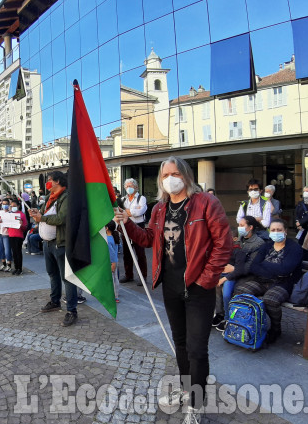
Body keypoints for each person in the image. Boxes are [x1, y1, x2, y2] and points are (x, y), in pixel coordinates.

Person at [116, 156, 232, 421]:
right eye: (165, 174)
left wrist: (206, 279)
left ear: (186, 176)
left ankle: (196, 403)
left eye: (175, 173)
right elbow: (148, 239)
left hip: (198, 289)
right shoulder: (159, 209)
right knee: (179, 343)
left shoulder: (206, 203)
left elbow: (223, 245)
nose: (170, 178)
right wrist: (128, 223)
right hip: (170, 288)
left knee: (196, 348)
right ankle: (186, 390)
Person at [233, 218, 303, 344]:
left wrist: (265, 264)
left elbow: (286, 270)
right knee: (241, 291)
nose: (276, 232)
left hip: (282, 283)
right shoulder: (266, 246)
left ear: (285, 231)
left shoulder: (294, 248)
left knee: (270, 300)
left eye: (279, 230)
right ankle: (251, 324)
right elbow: (254, 266)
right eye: (273, 230)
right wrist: (275, 269)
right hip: (261, 280)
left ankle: (276, 329)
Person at [29, 171, 80, 327]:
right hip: (48, 243)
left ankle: (72, 310)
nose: (47, 183)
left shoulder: (67, 197)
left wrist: (41, 218)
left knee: (67, 278)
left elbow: (62, 218)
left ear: (58, 181)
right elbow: (44, 215)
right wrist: (38, 213)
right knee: (52, 274)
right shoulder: (50, 199)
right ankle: (55, 301)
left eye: (49, 180)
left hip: (61, 243)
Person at [212, 216, 265, 331]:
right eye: (239, 225)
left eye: (242, 225)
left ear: (250, 227)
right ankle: (220, 314)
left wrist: (233, 269)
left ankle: (230, 317)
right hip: (232, 272)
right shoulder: (238, 238)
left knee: (228, 288)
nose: (239, 227)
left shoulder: (258, 243)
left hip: (247, 276)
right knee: (217, 285)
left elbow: (251, 265)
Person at [120, 178, 147, 286]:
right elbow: (119, 211)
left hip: (138, 226)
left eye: (130, 186)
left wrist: (127, 212)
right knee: (127, 253)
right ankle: (128, 275)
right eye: (126, 186)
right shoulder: (123, 199)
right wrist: (130, 212)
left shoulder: (141, 198)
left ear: (136, 186)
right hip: (126, 226)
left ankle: (143, 276)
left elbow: (140, 211)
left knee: (140, 253)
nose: (128, 188)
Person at [8, 199, 28, 275]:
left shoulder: (21, 214)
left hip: (18, 235)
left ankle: (20, 268)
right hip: (11, 235)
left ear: (18, 206)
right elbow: (7, 226)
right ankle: (16, 267)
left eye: (14, 206)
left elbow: (25, 227)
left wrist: (21, 224)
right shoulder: (9, 214)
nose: (12, 207)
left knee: (18, 252)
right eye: (11, 206)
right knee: (14, 252)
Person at [0, 199, 13, 271]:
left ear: (9, 205)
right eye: (3, 204)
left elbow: (12, 224)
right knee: (0, 250)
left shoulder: (10, 213)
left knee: (7, 250)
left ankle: (9, 264)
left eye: (6, 204)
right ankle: (3, 263)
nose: (4, 205)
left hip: (6, 234)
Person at [106, 220, 120, 303]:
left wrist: (113, 263)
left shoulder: (107, 240)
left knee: (112, 279)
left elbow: (111, 253)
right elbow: (119, 247)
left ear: (107, 228)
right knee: (115, 279)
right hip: (116, 261)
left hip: (111, 262)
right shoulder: (115, 237)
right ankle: (116, 295)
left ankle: (114, 296)